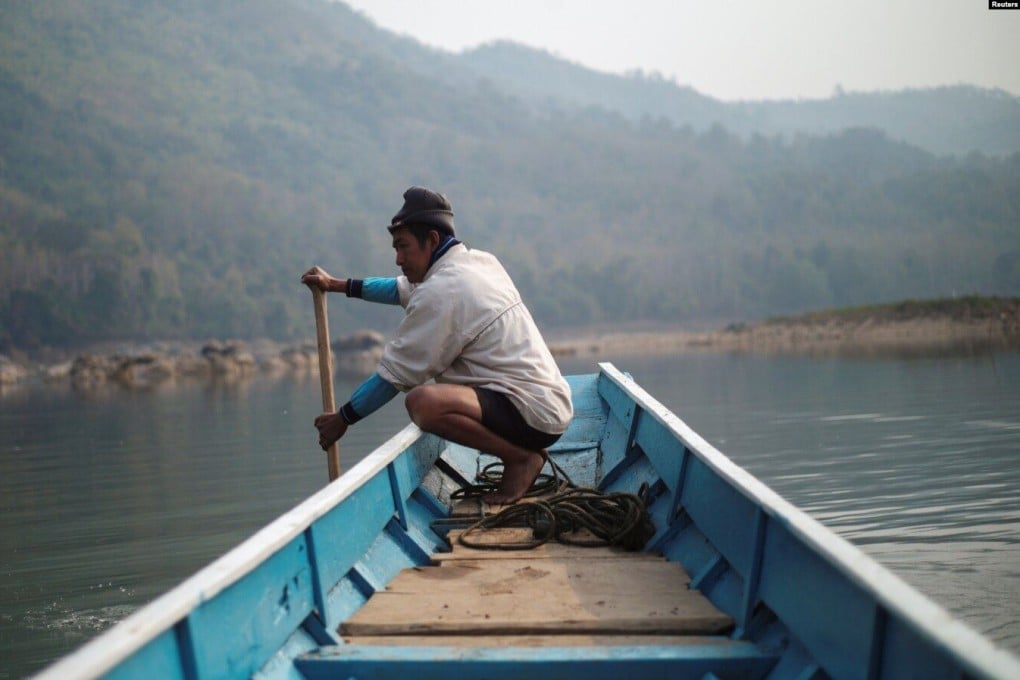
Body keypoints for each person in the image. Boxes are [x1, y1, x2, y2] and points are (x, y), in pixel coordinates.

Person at [301, 186, 573, 504]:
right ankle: (521, 455)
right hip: (550, 405)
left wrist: (342, 419)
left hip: (530, 412)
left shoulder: (443, 291)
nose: (398, 259)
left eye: (403, 247)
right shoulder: (479, 263)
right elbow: (398, 289)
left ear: (431, 240)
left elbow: (393, 378)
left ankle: (521, 459)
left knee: (423, 403)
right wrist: (336, 285)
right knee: (426, 399)